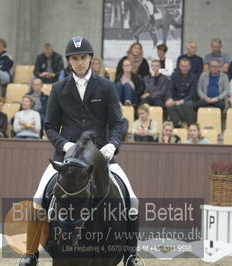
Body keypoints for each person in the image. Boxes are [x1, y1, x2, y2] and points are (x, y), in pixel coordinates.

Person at [20, 37, 140, 266]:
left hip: (101, 158)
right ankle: (30, 254)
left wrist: (111, 146)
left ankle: (131, 256)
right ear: (69, 61)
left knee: (133, 201)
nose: (80, 62)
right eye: (75, 58)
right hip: (67, 159)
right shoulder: (58, 89)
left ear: (90, 59)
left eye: (83, 57)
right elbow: (50, 126)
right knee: (37, 199)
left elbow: (118, 122)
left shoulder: (106, 86)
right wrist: (66, 146)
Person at [165, 58, 196, 128]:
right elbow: (169, 89)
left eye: (186, 66)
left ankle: (191, 125)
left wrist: (182, 101)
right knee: (169, 104)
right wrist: (169, 98)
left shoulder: (193, 78)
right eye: (182, 66)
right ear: (179, 66)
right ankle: (178, 123)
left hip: (187, 99)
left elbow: (192, 94)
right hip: (176, 98)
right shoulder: (174, 75)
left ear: (189, 67)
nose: (184, 68)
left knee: (188, 104)